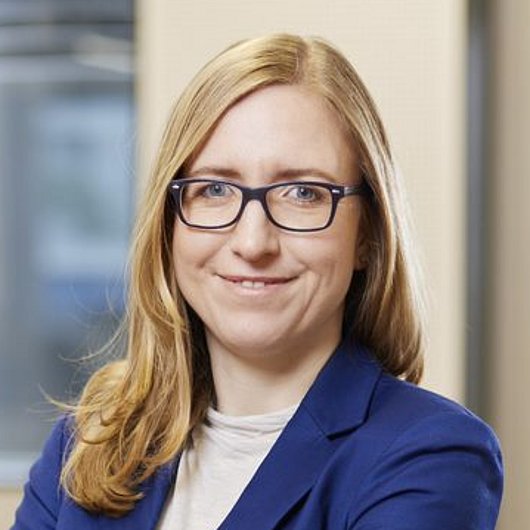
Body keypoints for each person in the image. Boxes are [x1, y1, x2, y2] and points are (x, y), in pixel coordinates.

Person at [12, 33, 503, 530]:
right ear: (170, 222)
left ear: (368, 235)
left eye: (303, 193)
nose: (252, 242)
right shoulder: (90, 442)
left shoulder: (431, 456)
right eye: (215, 189)